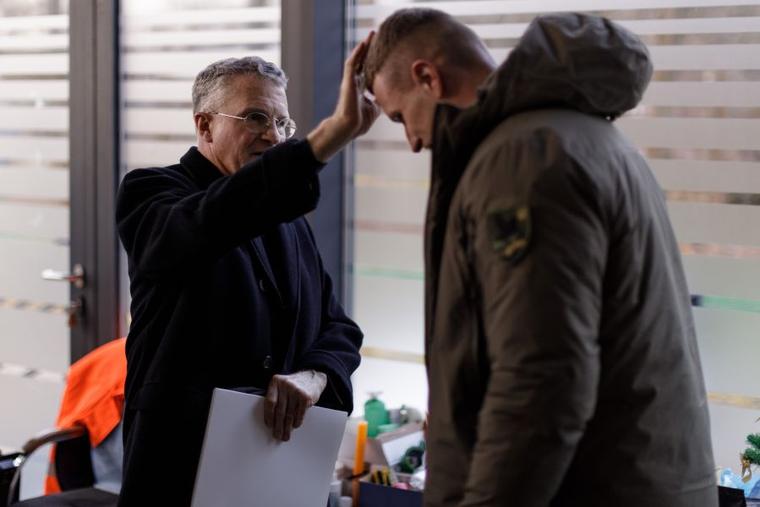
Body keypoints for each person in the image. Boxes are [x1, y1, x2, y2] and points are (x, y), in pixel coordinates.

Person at [362, 9, 717, 507]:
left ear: (428, 77)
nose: (414, 141)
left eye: (400, 117)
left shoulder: (522, 161)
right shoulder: (590, 139)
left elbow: (540, 380)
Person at [116, 37, 378, 505]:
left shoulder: (289, 216)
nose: (275, 136)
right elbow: (210, 223)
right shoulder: (152, 194)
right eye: (256, 117)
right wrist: (330, 134)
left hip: (277, 469)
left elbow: (338, 327)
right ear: (205, 125)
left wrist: (314, 376)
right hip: (180, 468)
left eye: (282, 122)